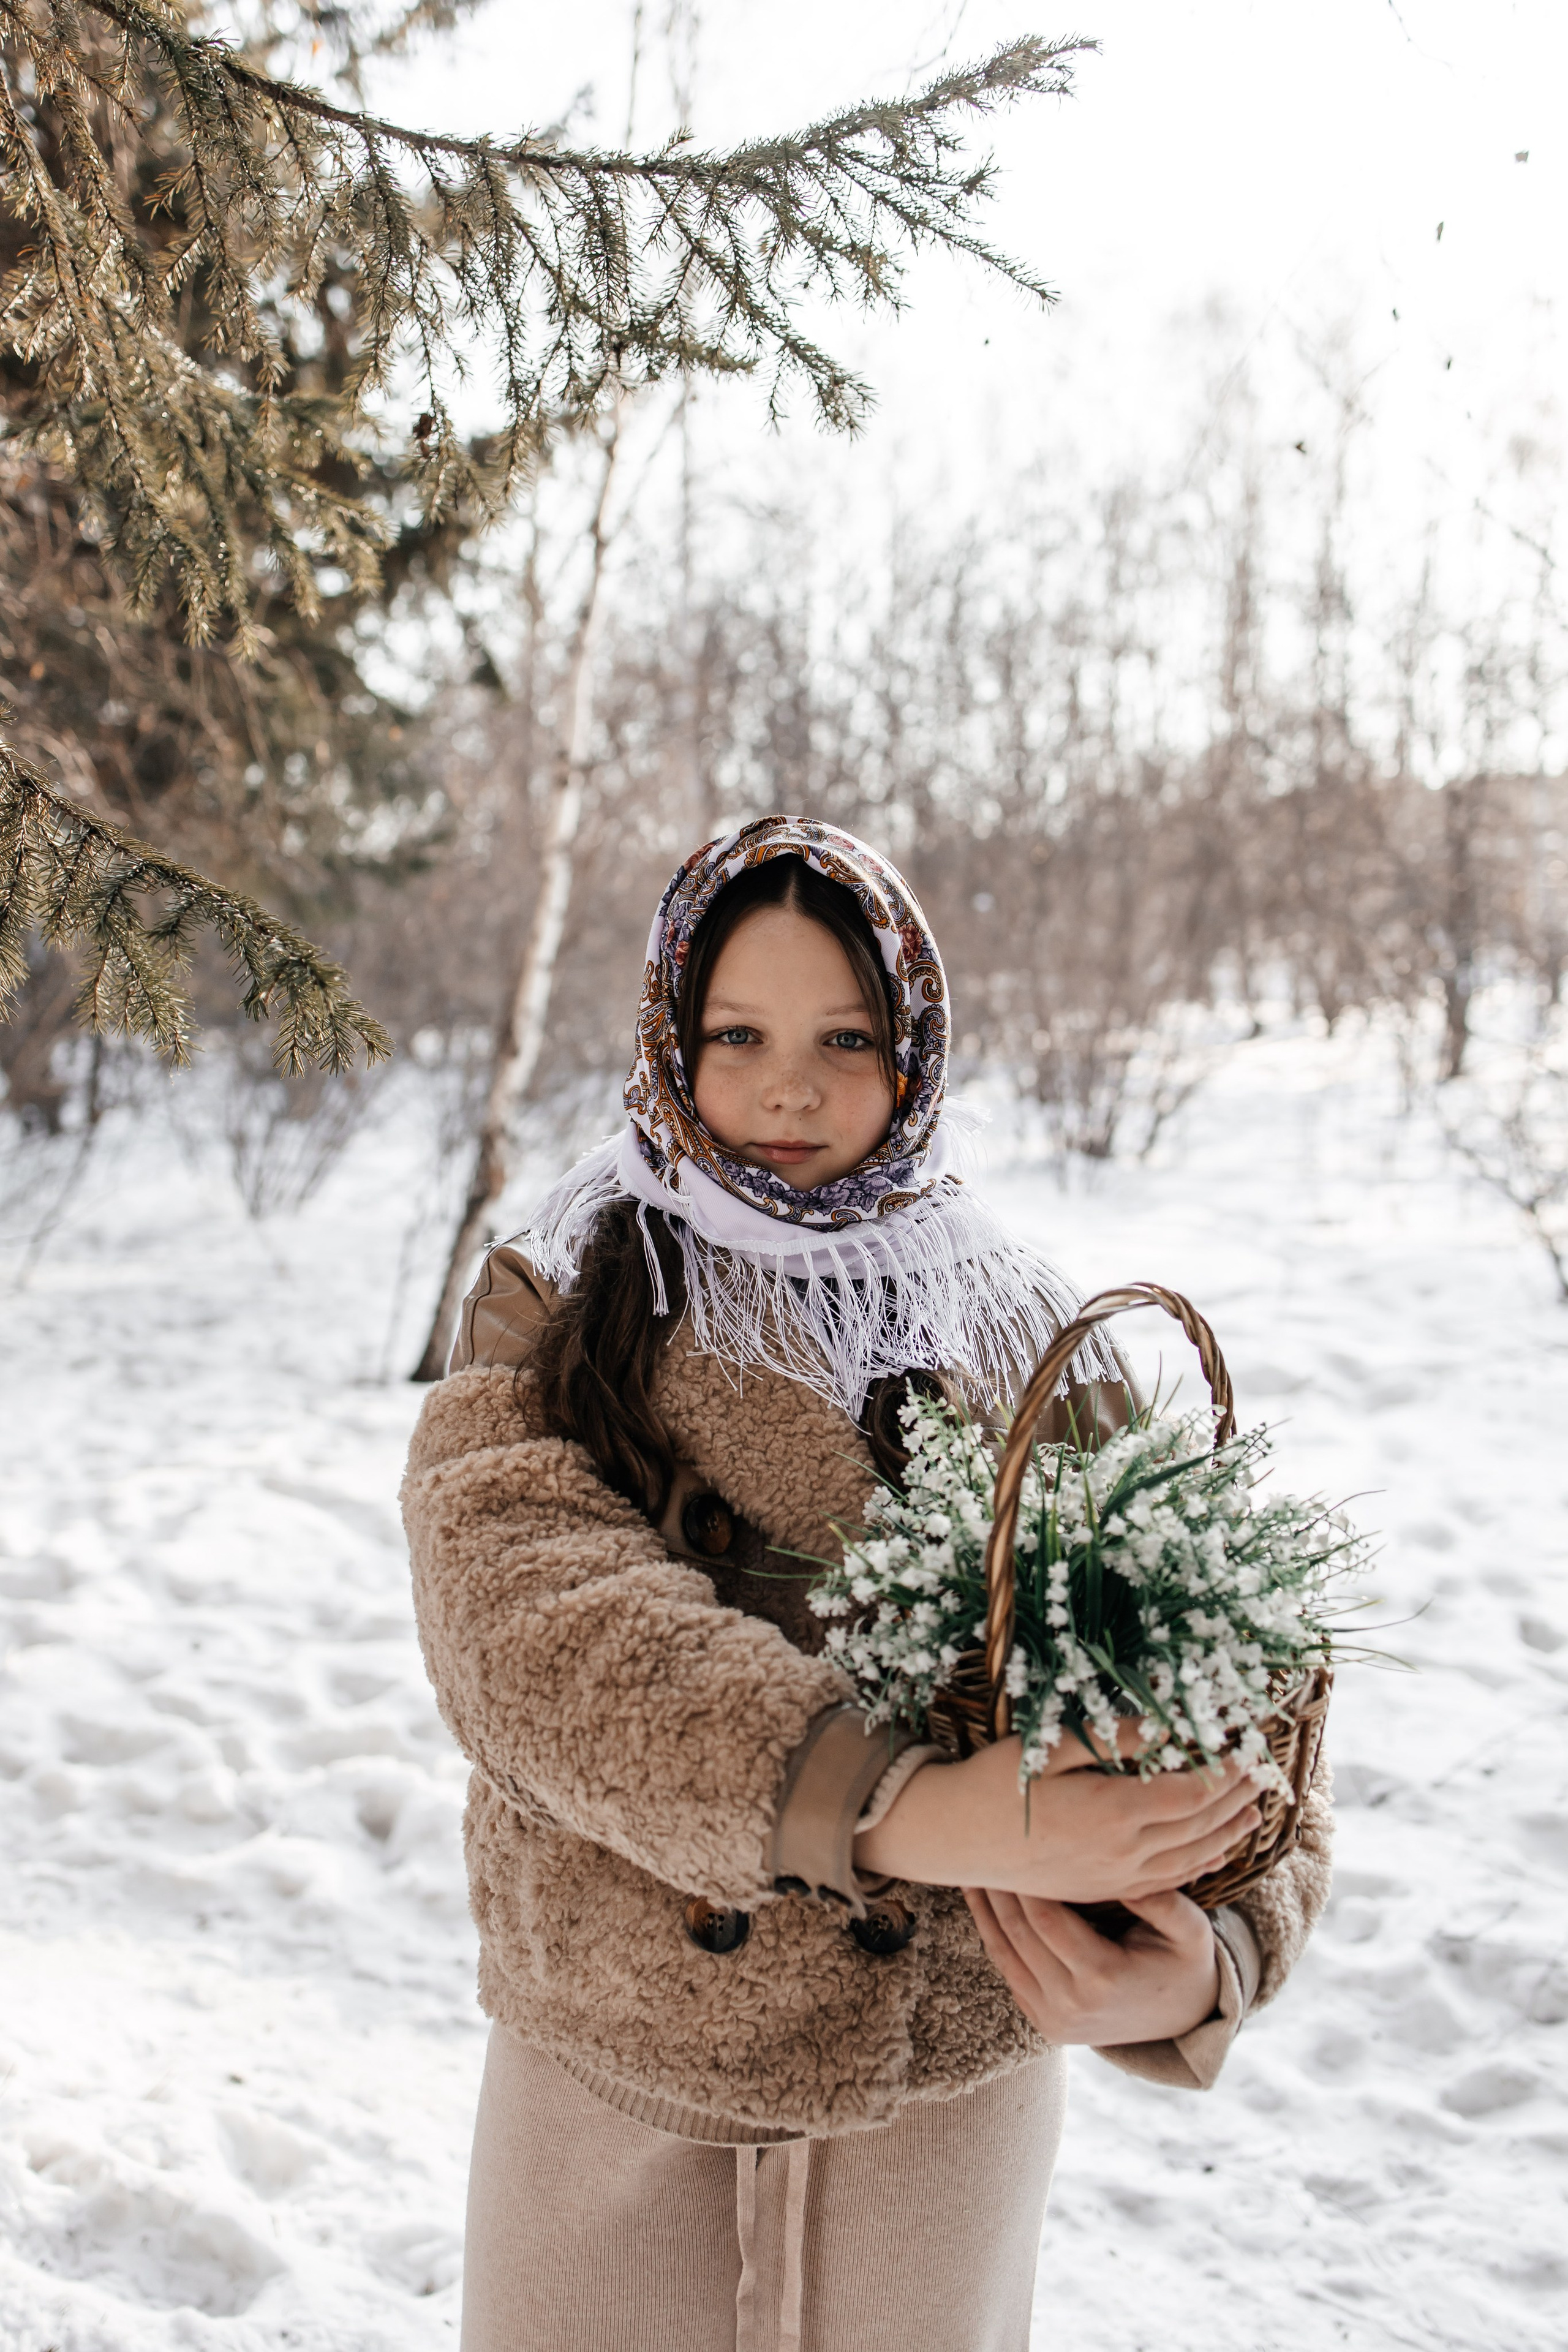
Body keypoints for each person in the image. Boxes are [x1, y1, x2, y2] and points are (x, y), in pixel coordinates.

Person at [402, 816, 1332, 2352]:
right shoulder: (567, 1289)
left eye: (845, 1038)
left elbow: (1227, 1651)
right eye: (738, 1036)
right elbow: (530, 1623)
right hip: (626, 2060)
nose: (790, 1088)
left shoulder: (1020, 1325)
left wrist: (1204, 1953)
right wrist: (904, 1807)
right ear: (668, 1039)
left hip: (944, 2084)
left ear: (915, 1055)